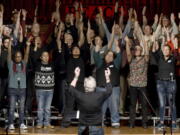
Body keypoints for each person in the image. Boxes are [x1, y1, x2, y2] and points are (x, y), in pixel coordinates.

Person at [68, 67, 112, 135]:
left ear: (85, 86)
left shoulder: (80, 96)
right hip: (96, 127)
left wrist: (76, 76)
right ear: (94, 86)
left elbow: (71, 89)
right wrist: (107, 77)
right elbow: (109, 91)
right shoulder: (99, 96)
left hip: (83, 127)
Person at [151, 42, 178, 130]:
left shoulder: (173, 58)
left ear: (170, 51)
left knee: (172, 104)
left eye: (167, 50)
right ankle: (161, 123)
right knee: (162, 104)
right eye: (164, 49)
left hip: (171, 83)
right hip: (160, 83)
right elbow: (154, 53)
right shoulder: (160, 59)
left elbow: (177, 54)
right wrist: (154, 44)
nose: (165, 51)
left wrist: (174, 44)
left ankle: (173, 123)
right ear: (162, 51)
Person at [125, 36, 149, 128]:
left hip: (143, 85)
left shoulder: (145, 59)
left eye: (139, 49)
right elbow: (128, 53)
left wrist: (146, 44)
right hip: (133, 85)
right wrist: (127, 43)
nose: (137, 50)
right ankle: (131, 123)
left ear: (141, 50)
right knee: (132, 104)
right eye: (136, 49)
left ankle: (144, 123)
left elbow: (147, 53)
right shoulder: (131, 60)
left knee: (144, 104)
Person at [7, 37, 31, 130]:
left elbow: (27, 54)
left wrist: (28, 46)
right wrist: (10, 43)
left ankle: (21, 123)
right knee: (12, 108)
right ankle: (11, 124)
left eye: (20, 56)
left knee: (22, 108)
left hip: (22, 89)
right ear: (14, 57)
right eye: (16, 56)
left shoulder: (24, 64)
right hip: (12, 89)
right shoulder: (10, 64)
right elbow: (9, 53)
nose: (18, 58)